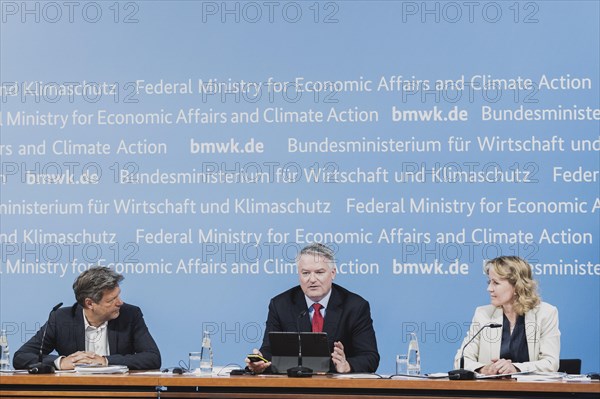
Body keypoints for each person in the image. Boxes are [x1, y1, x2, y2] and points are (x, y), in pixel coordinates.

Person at [247, 243, 380, 374]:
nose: (312, 279)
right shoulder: (280, 305)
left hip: (336, 391)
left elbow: (370, 357)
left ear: (333, 273)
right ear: (299, 274)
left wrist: (347, 366)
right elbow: (269, 351)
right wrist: (260, 363)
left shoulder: (355, 307)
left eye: (319, 272)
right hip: (293, 389)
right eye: (305, 273)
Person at [13, 266, 161, 370]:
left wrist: (106, 361)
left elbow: (152, 357)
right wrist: (61, 362)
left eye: (118, 295)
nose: (120, 302)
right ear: (90, 303)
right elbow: (21, 357)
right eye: (111, 300)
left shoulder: (130, 314)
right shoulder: (61, 319)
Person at [455, 256, 560, 375]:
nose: (489, 289)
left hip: (531, 391)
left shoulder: (545, 313)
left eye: (496, 283)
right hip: (492, 391)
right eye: (489, 282)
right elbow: (461, 360)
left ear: (517, 287)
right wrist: (483, 369)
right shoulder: (483, 314)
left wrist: (516, 368)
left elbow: (551, 363)